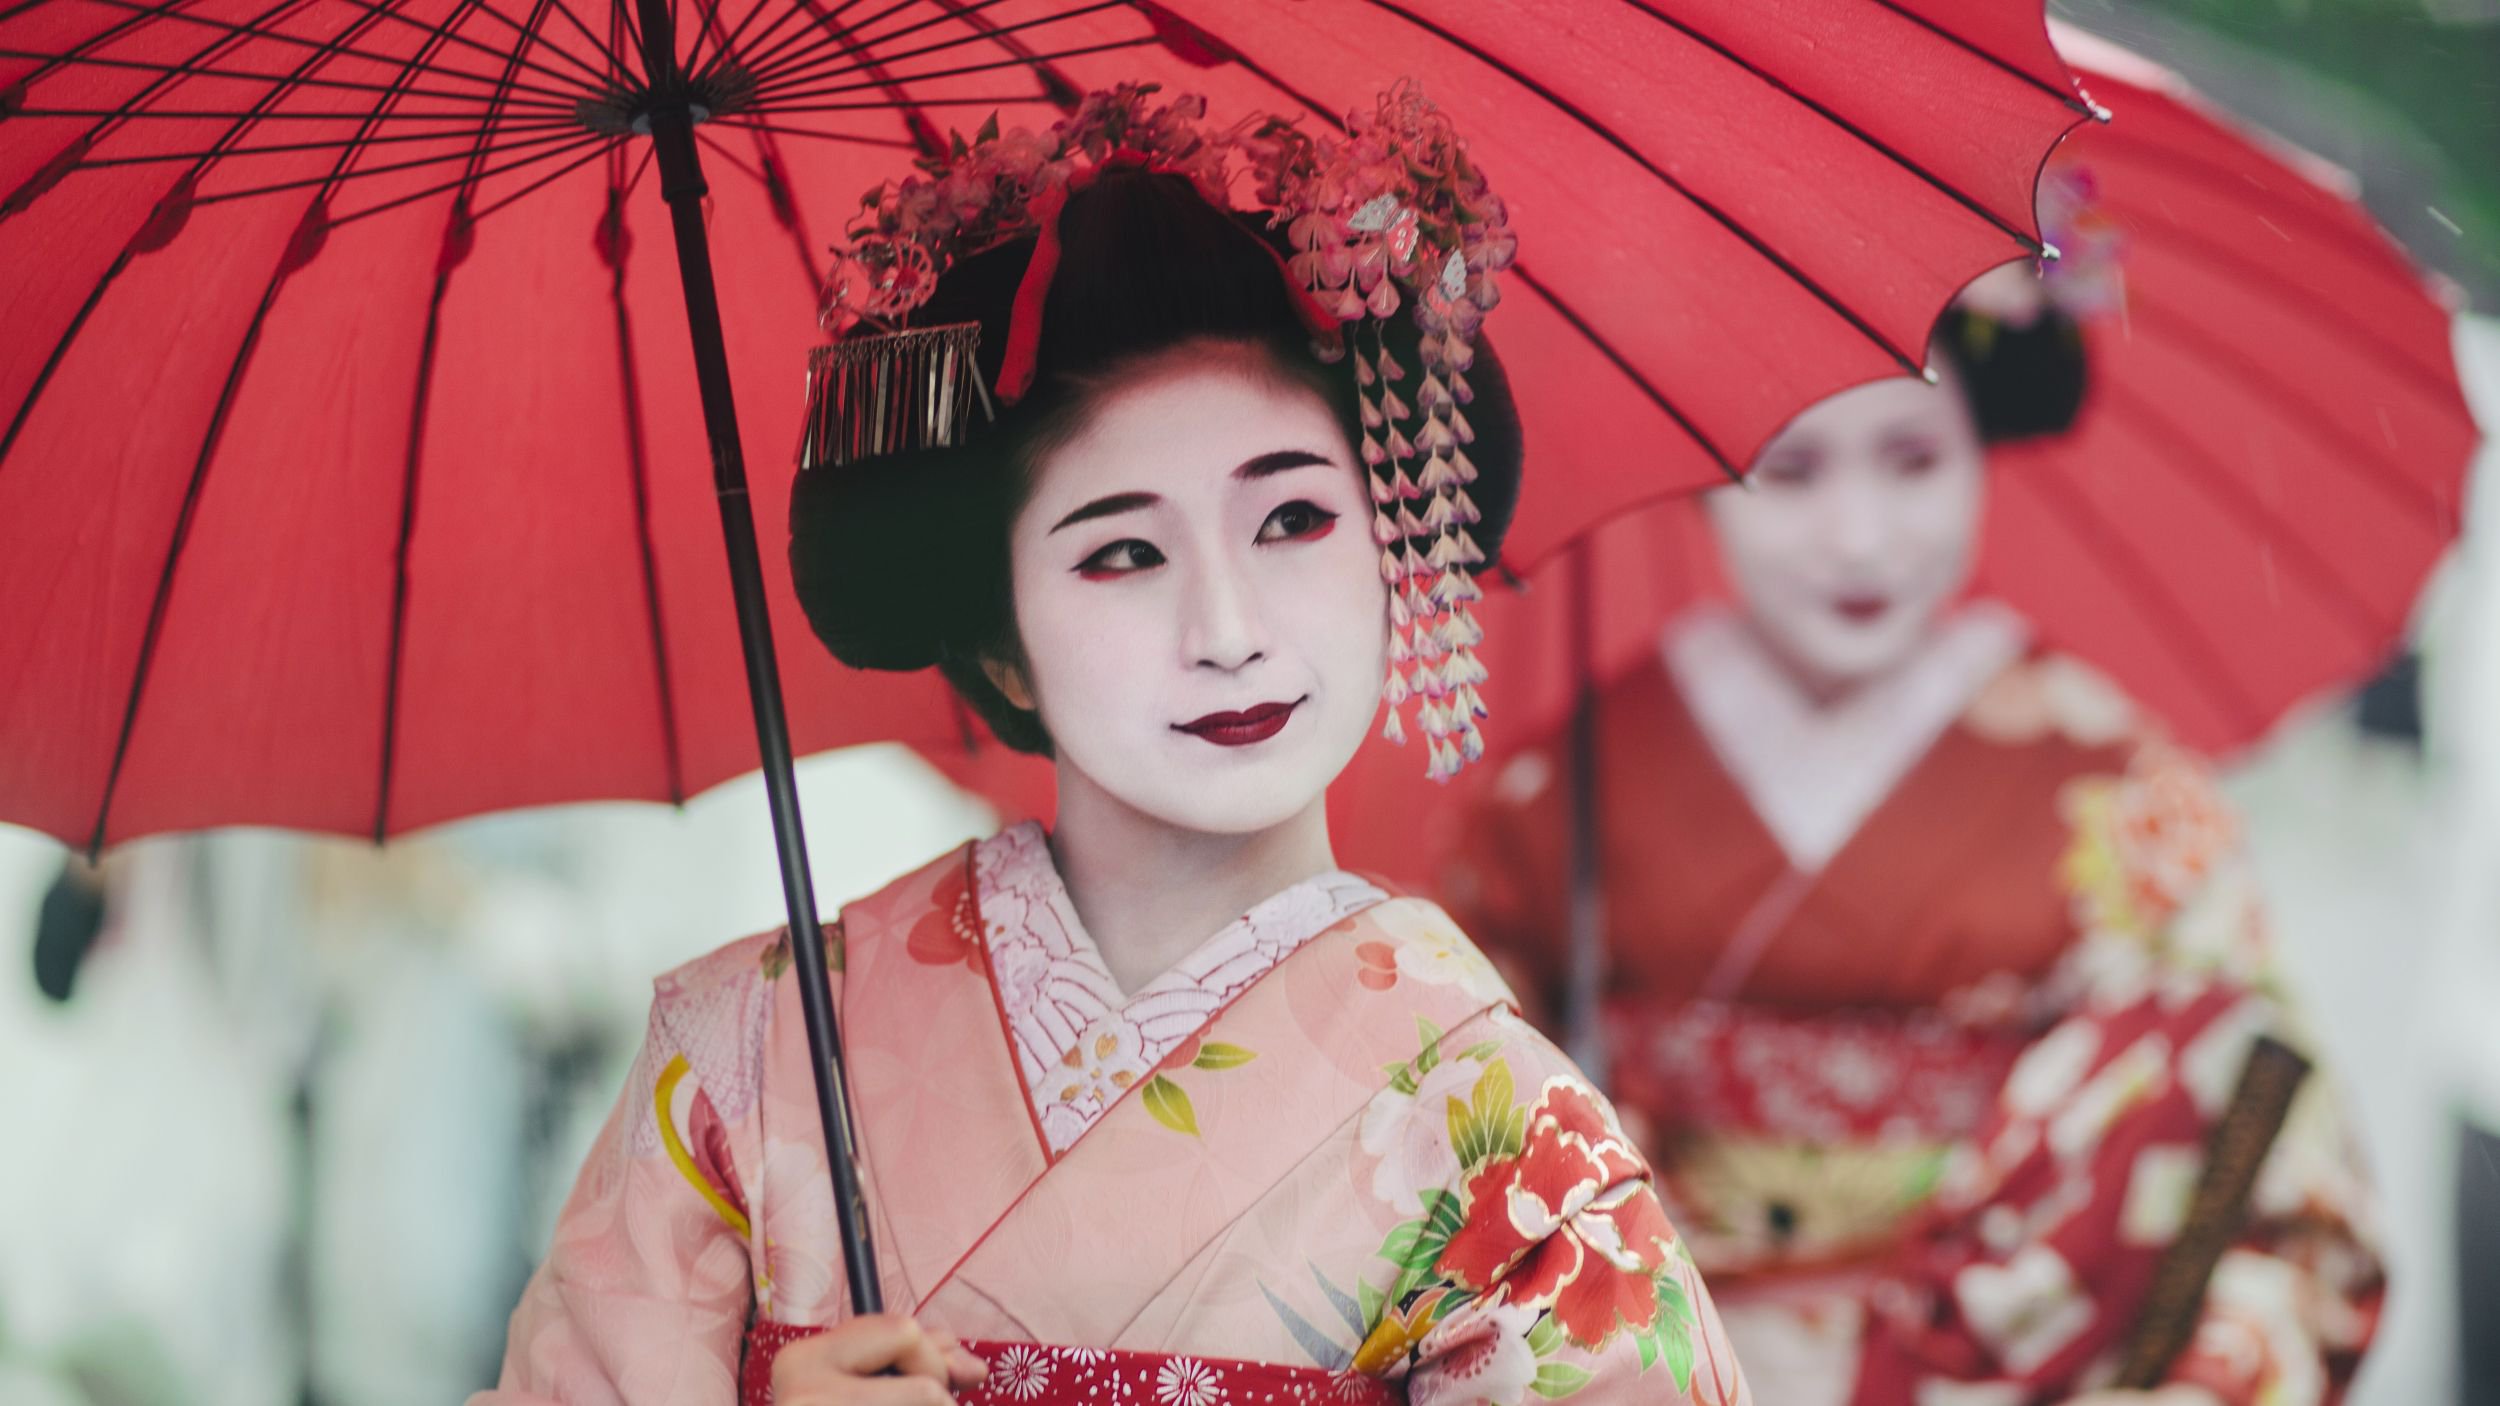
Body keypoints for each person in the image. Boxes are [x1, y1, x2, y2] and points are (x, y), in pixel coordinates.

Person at [480, 86, 1746, 1406]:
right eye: (1124, 552)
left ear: (1394, 550)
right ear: (1000, 642)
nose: (1229, 630)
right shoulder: (755, 1057)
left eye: (1294, 520)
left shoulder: (1507, 1137)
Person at [1442, 274, 2383, 1406]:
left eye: (1914, 459)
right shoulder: (1565, 788)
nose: (1859, 536)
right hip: (1651, 1367)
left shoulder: (2111, 785)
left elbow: (2261, 1132)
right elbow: (1458, 1133)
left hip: (2016, 1365)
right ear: (1701, 475)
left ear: (1983, 450)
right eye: (1791, 470)